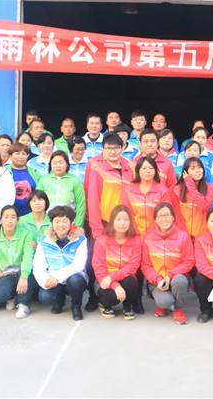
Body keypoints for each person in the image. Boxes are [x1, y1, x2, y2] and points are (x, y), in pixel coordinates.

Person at [84, 133, 134, 311]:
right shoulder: (98, 170)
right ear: (103, 150)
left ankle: (130, 299)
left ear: (123, 148)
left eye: (116, 148)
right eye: (109, 148)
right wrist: (96, 229)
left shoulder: (129, 168)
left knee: (124, 260)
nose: (112, 151)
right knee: (96, 261)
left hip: (125, 223)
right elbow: (93, 200)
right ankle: (93, 296)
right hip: (105, 223)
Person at [141, 203, 194, 324]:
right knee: (164, 301)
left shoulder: (183, 236)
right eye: (160, 216)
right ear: (155, 220)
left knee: (179, 281)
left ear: (173, 217)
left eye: (167, 215)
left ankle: (178, 308)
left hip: (177, 278)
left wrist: (171, 274)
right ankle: (164, 304)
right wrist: (158, 279)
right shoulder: (148, 238)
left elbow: (189, 261)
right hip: (157, 281)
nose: (164, 219)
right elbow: (146, 265)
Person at [33, 206, 88, 320]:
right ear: (52, 223)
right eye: (57, 221)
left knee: (75, 280)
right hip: (53, 280)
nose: (61, 225)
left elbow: (78, 265)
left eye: (64, 221)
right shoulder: (44, 241)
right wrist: (46, 281)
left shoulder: (80, 240)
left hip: (72, 279)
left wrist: (57, 277)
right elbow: (38, 265)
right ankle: (59, 300)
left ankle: (76, 306)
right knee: (45, 297)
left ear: (70, 222)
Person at [92, 206, 141, 320]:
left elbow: (133, 267)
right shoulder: (102, 241)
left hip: (122, 278)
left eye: (126, 219)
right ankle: (104, 305)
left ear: (130, 221)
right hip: (104, 279)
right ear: (112, 221)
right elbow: (99, 268)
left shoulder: (136, 241)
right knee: (111, 297)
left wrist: (113, 277)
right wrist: (115, 285)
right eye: (118, 219)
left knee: (131, 282)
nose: (122, 223)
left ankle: (127, 307)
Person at [123, 156, 171, 237]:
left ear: (155, 171)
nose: (148, 171)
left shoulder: (162, 190)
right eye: (144, 168)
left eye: (151, 168)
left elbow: (165, 215)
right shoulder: (129, 190)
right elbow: (126, 214)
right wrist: (134, 233)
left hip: (156, 236)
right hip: (133, 235)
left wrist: (153, 234)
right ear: (138, 170)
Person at [172, 157, 213, 239]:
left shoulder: (211, 188)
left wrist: (190, 184)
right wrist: (183, 234)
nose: (197, 171)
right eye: (192, 168)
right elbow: (176, 214)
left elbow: (203, 206)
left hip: (202, 236)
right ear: (185, 172)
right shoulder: (177, 189)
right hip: (182, 235)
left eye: (199, 167)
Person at [37, 150, 85, 226]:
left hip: (69, 223)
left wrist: (78, 226)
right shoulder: (44, 180)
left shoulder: (75, 181)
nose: (58, 166)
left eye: (61, 163)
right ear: (51, 165)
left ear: (67, 164)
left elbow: (80, 205)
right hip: (47, 224)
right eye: (55, 163)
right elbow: (37, 203)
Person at [5, 143, 42, 216]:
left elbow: (40, 193)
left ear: (28, 155)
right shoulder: (3, 172)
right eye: (17, 154)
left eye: (24, 154)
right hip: (9, 215)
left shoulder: (35, 173)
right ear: (10, 156)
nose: (21, 157)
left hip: (31, 215)